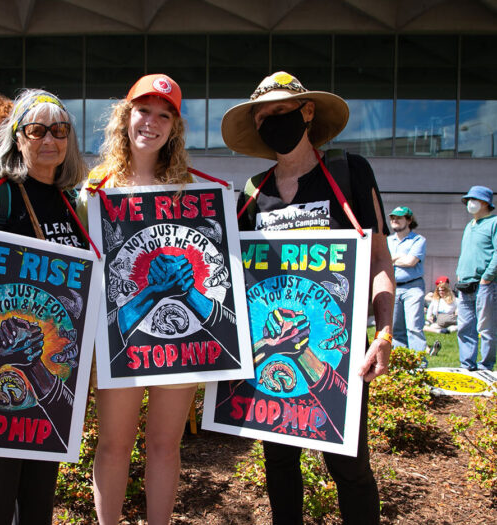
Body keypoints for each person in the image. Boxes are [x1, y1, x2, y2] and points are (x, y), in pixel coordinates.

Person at [221, 71, 394, 525]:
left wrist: (385, 333)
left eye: (281, 112)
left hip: (338, 353)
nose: (273, 122)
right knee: (279, 462)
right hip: (270, 359)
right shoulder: (252, 192)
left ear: (307, 112)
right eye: (263, 118)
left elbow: (378, 261)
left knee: (349, 466)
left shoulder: (349, 172)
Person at [0, 88, 87, 525]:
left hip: (49, 374)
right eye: (37, 129)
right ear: (17, 136)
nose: (49, 139)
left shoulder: (71, 200)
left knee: (36, 496)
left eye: (60, 129)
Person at [79, 74, 196, 525]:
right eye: (143, 110)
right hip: (120, 336)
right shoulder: (94, 188)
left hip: (182, 338)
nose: (152, 122)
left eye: (164, 115)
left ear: (174, 128)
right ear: (125, 117)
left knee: (165, 445)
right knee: (113, 444)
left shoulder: (193, 189)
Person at [455, 185, 496, 371]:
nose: (470, 203)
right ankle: (467, 364)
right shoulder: (469, 225)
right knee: (465, 326)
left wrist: (487, 277)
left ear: (485, 203)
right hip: (465, 283)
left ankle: (486, 364)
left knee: (486, 327)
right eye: (468, 200)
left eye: (475, 200)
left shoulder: (494, 223)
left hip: (485, 284)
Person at [386, 206, 428, 353]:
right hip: (393, 287)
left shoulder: (418, 240)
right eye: (392, 218)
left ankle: (419, 363)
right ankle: (402, 363)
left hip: (413, 287)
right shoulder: (387, 241)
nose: (394, 220)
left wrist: (391, 259)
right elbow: (382, 261)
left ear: (409, 220)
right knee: (396, 329)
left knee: (413, 327)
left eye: (399, 217)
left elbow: (411, 262)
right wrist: (398, 258)